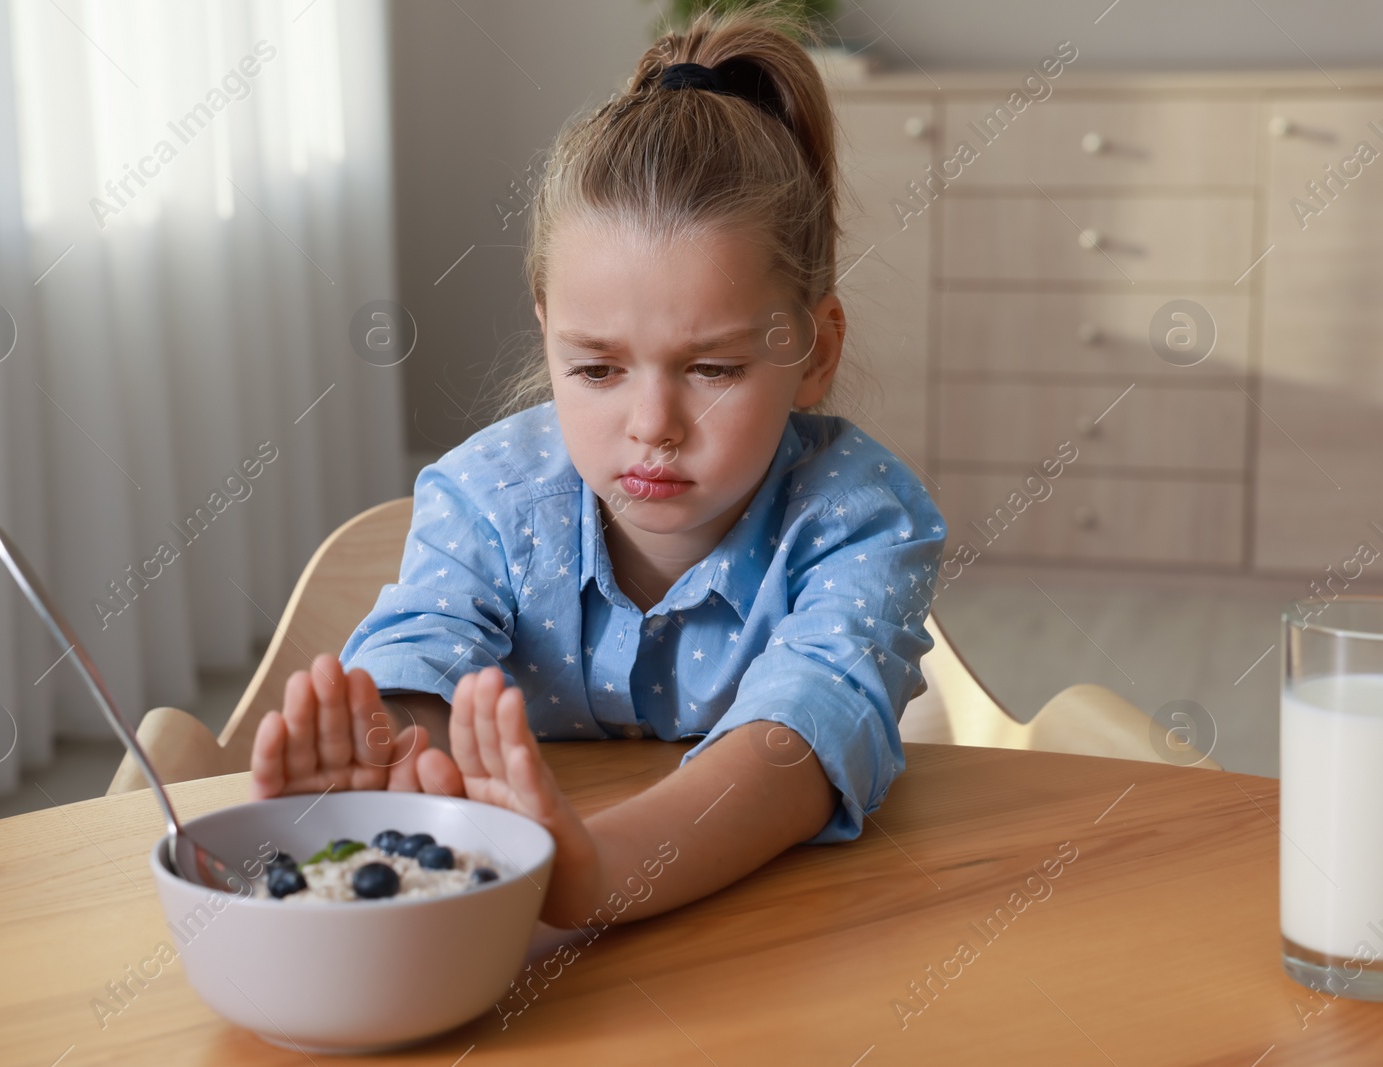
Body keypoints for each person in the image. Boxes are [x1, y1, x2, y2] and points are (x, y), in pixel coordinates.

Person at [249, 0, 946, 929]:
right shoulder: (488, 498)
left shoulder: (863, 521)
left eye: (712, 368)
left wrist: (601, 865)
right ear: (546, 336)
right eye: (596, 369)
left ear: (814, 351)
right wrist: (387, 752)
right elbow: (425, 659)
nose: (652, 425)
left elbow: (803, 740)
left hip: (792, 938)